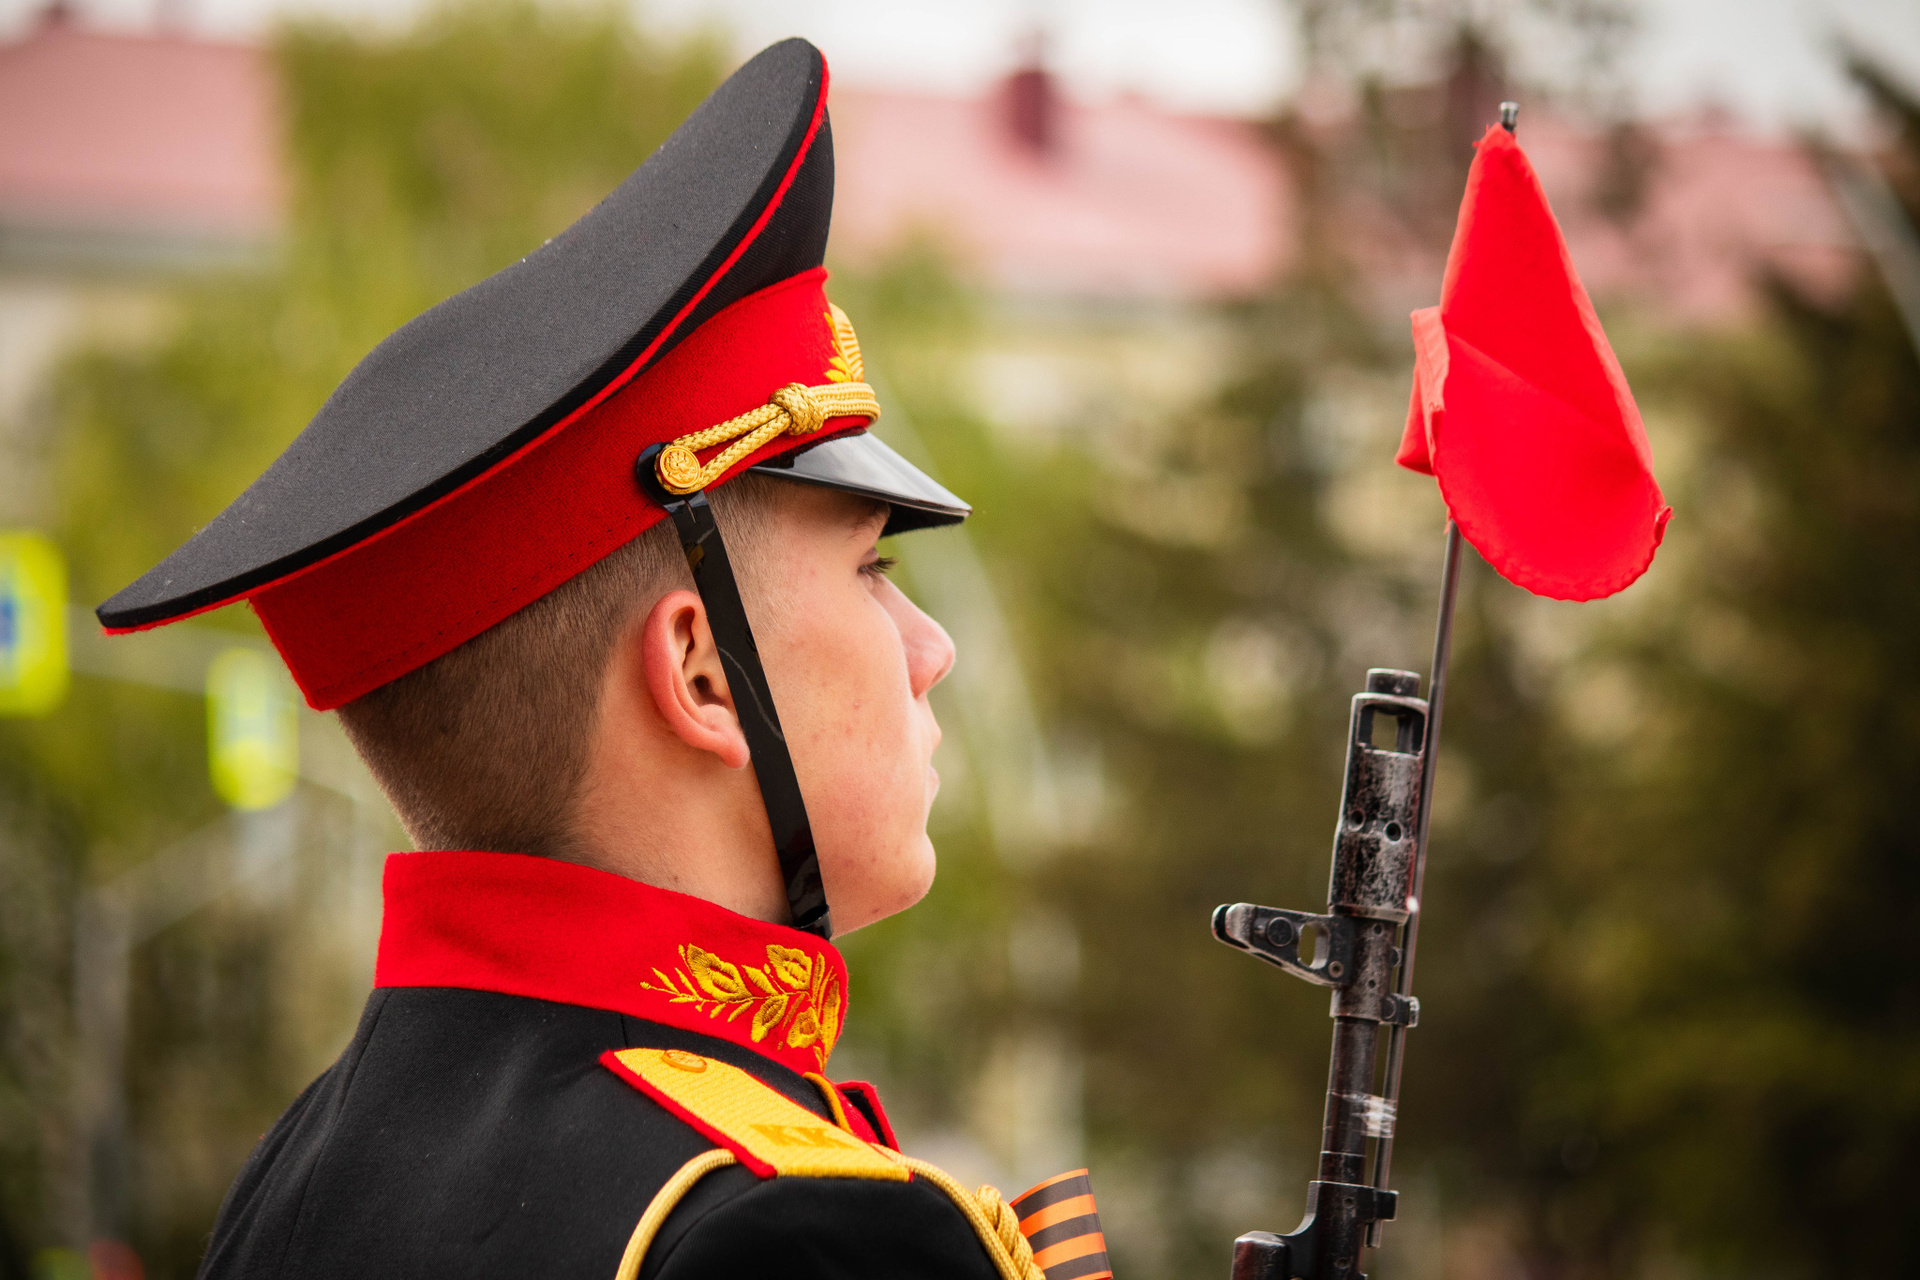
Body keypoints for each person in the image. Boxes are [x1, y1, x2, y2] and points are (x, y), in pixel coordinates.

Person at [98, 36, 1115, 1280]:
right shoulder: (786, 1231)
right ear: (702, 671)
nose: (933, 648)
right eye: (871, 568)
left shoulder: (299, 1172)